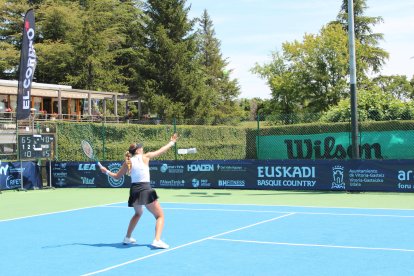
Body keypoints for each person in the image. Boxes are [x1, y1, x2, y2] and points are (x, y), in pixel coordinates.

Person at [100, 133, 178, 249]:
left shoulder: (128, 162)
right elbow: (161, 150)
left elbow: (116, 176)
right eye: (140, 147)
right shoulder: (145, 157)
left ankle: (127, 237)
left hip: (134, 191)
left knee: (138, 213)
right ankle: (157, 240)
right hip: (145, 189)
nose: (142, 148)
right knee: (160, 216)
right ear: (137, 151)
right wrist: (172, 142)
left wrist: (106, 171)